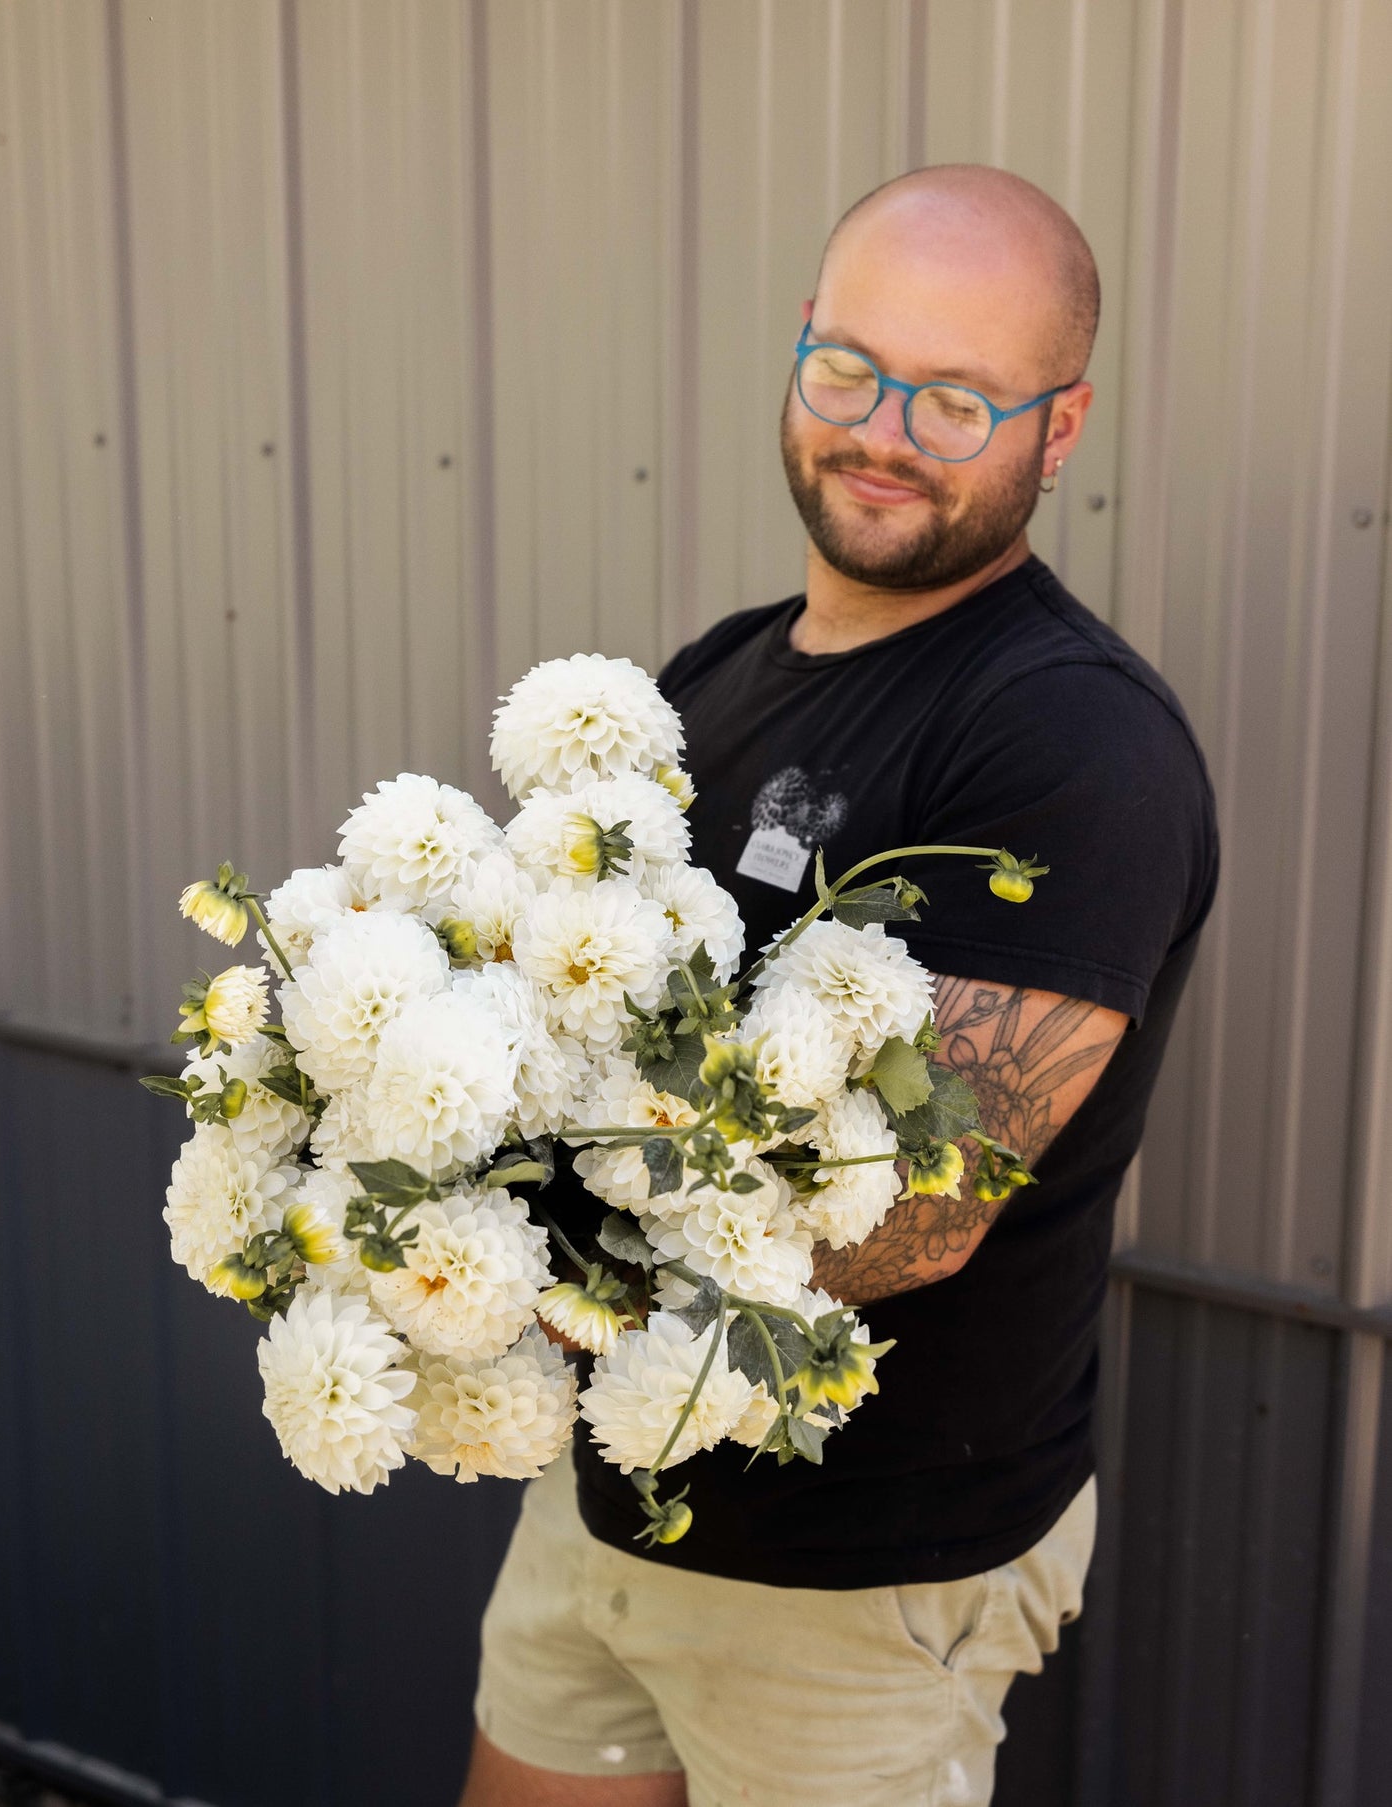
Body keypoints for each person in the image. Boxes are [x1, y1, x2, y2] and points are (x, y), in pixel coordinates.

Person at [459, 164, 1219, 1807]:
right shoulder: (710, 678)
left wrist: (482, 1253)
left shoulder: (1072, 743)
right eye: (848, 369)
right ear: (797, 350)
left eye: (956, 400)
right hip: (614, 1491)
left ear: (1058, 426)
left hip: (864, 1584)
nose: (881, 430)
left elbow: (908, 1213)